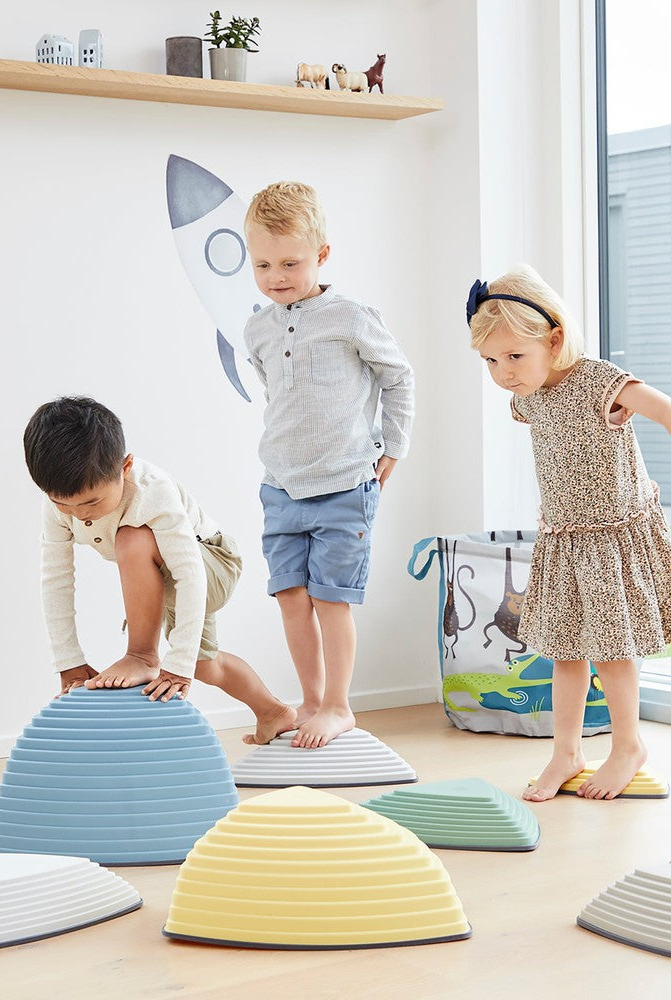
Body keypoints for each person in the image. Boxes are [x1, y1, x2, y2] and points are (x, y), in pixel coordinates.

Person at [467, 266, 671, 801]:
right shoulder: (529, 396)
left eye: (514, 356)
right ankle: (566, 751)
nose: (503, 373)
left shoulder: (599, 382)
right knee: (564, 650)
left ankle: (627, 746)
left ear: (555, 340)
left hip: (610, 537)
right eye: (491, 361)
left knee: (613, 650)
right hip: (563, 537)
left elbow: (669, 411)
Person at [243, 181, 415, 749]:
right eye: (263, 264)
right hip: (281, 488)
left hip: (344, 485)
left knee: (331, 598)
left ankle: (340, 706)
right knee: (292, 598)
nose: (276, 276)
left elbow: (398, 378)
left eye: (290, 263)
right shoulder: (258, 328)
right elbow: (275, 395)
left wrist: (393, 446)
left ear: (321, 254)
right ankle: (312, 702)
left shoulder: (352, 317)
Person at [22, 396, 296, 745]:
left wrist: (174, 664)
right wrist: (69, 661)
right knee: (205, 665)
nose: (79, 514)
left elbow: (189, 572)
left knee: (131, 538)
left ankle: (141, 653)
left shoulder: (152, 490)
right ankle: (273, 712)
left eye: (91, 502)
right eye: (62, 503)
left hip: (210, 564)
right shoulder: (56, 506)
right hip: (163, 575)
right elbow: (56, 581)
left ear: (125, 467)